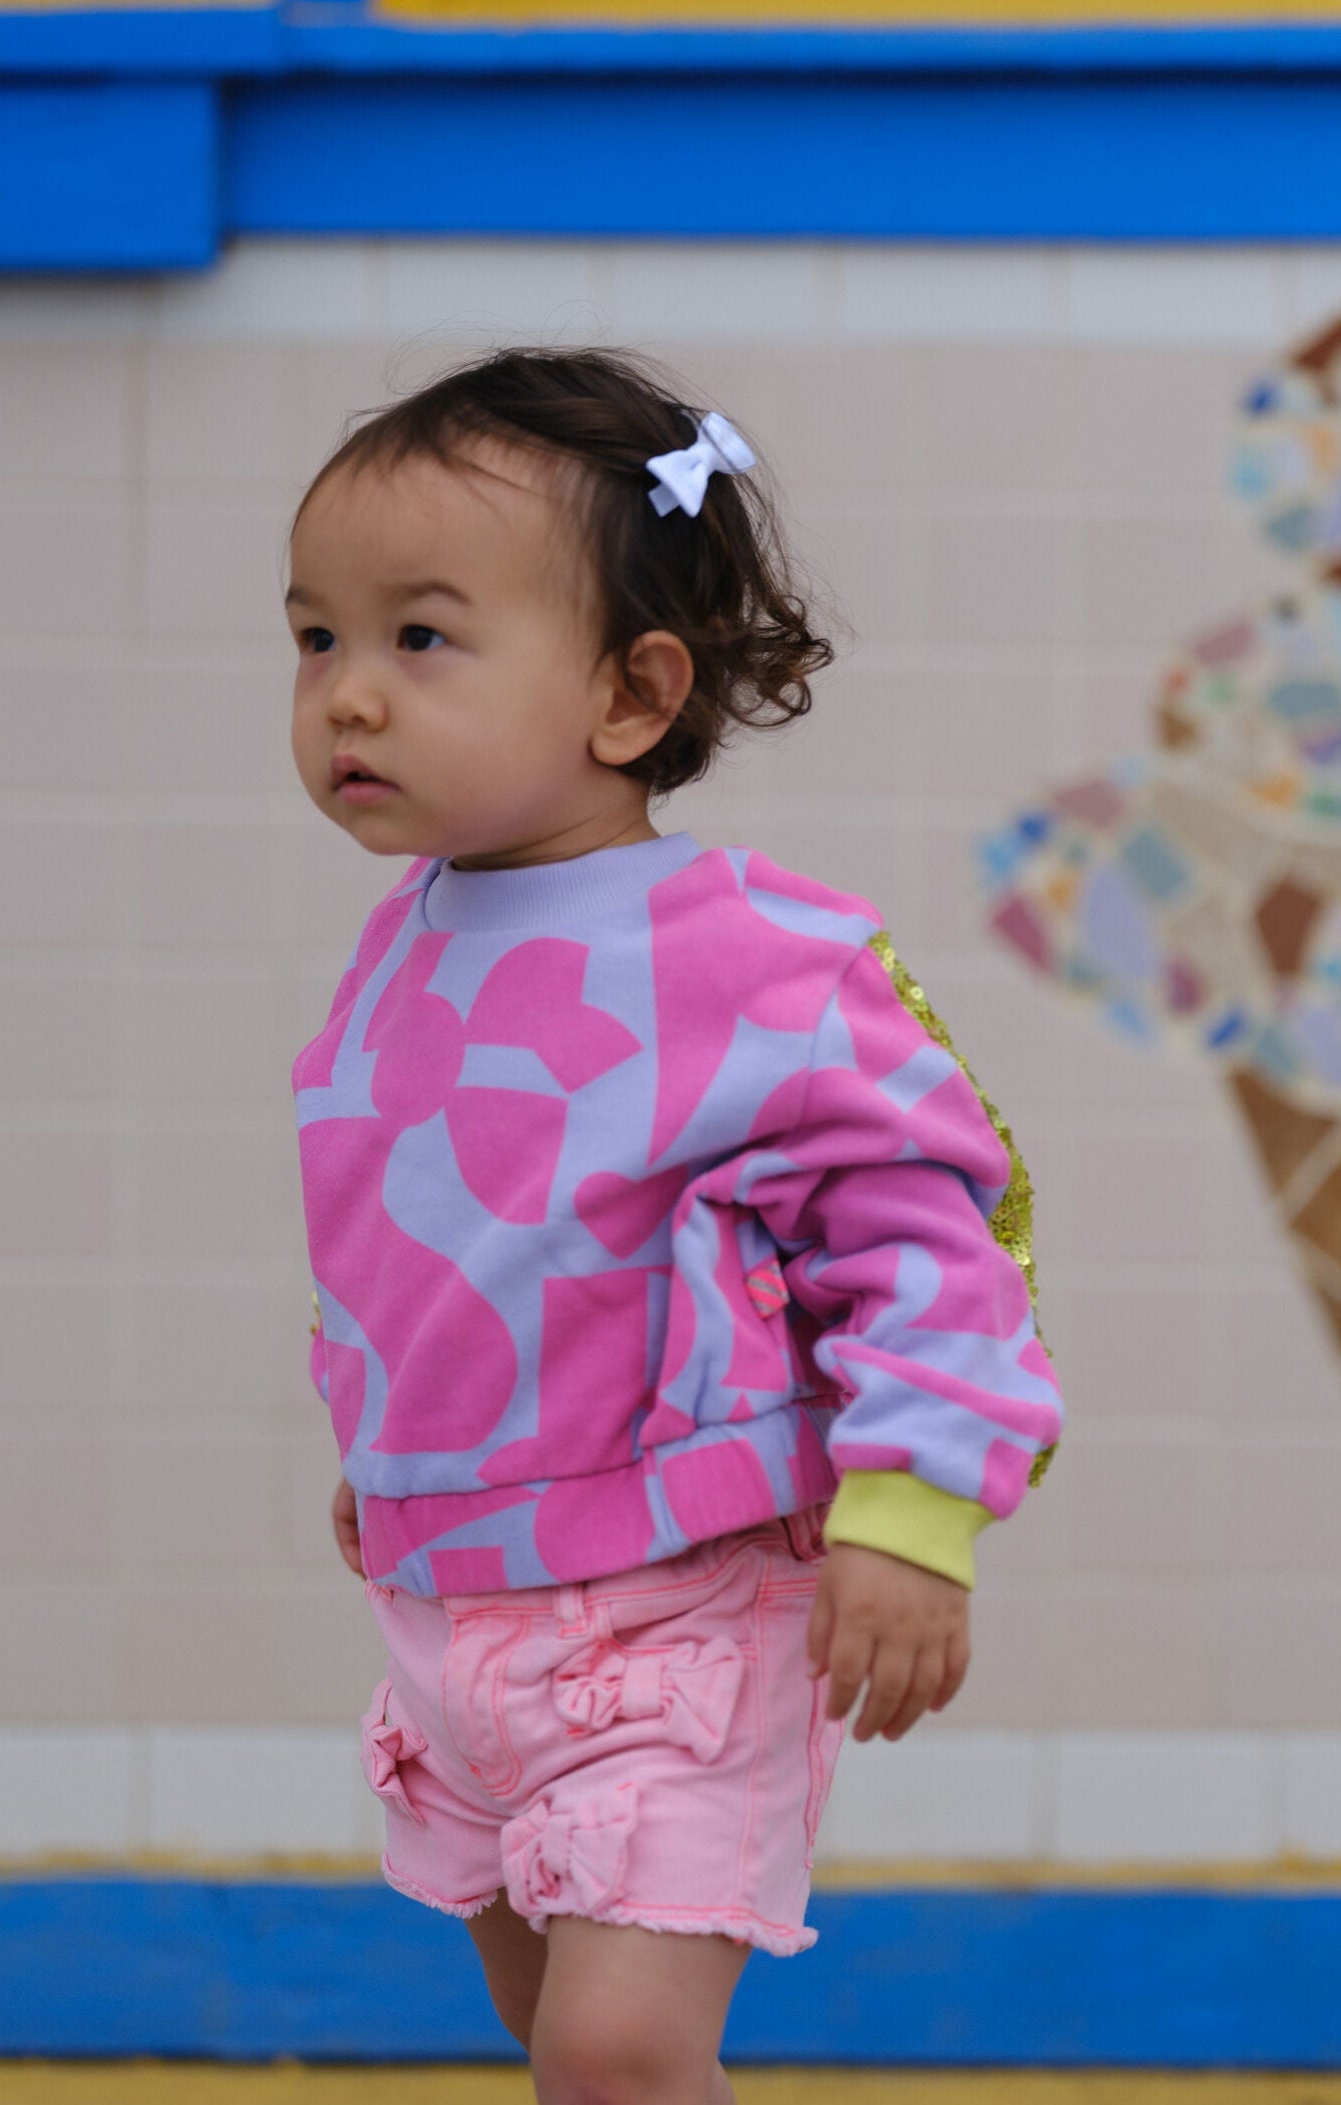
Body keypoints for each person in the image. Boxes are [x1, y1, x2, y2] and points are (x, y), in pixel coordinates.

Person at [284, 347, 1062, 2105]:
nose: (348, 695)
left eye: (420, 636)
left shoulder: (757, 959)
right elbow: (422, 1242)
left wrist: (917, 1504)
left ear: (633, 693)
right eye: (316, 637)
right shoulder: (403, 944)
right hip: (452, 1598)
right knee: (548, 2026)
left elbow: (932, 1234)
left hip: (684, 1596)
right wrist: (392, 1443)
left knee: (618, 2046)